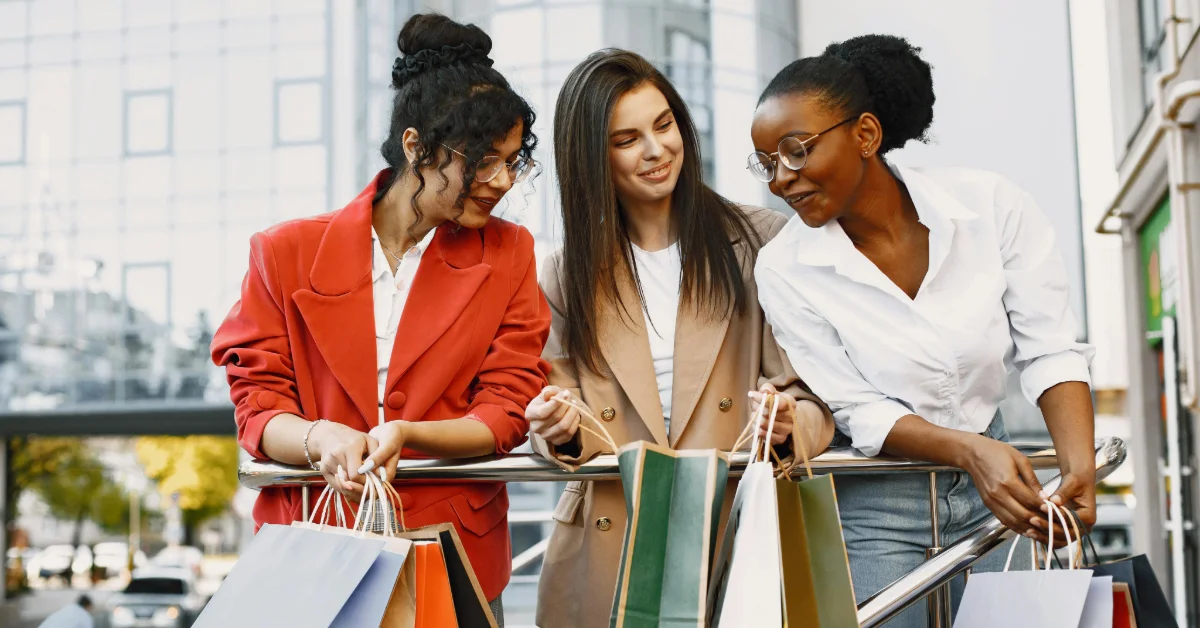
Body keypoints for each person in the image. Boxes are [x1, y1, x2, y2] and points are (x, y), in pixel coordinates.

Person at [210, 14, 550, 622]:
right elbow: (258, 408)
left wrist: (410, 435)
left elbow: (507, 408)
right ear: (415, 146)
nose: (501, 180)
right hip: (317, 555)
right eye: (481, 161)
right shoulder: (283, 253)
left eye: (510, 160)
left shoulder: (510, 252)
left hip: (458, 556)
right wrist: (320, 439)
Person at [749, 35, 1095, 625]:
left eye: (795, 151)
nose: (780, 179)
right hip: (878, 503)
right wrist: (971, 452)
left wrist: (1077, 468)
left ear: (865, 135)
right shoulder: (783, 269)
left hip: (1005, 489)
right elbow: (859, 409)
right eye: (767, 163)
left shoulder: (990, 207)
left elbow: (1050, 349)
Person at [524, 49, 835, 628]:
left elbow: (818, 397)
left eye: (664, 125)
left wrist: (792, 422)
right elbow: (555, 414)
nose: (655, 149)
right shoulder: (566, 273)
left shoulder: (761, 242)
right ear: (591, 157)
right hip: (614, 540)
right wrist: (555, 430)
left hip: (737, 531)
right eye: (627, 139)